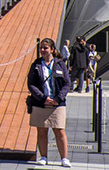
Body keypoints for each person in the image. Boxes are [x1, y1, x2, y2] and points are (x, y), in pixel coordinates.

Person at [28, 38, 71, 167]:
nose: (42, 50)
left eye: (45, 48)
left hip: (57, 103)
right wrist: (43, 98)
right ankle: (43, 157)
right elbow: (31, 84)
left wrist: (58, 98)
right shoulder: (36, 65)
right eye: (41, 48)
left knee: (59, 130)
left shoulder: (60, 64)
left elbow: (67, 83)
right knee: (42, 131)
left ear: (52, 49)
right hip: (41, 103)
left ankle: (64, 158)